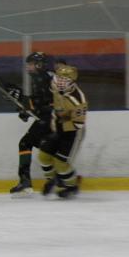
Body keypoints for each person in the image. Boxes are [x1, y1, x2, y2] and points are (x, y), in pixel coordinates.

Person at [7, 52, 54, 196]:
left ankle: (26, 183)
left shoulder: (42, 78)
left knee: (25, 143)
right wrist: (25, 110)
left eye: (31, 64)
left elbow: (42, 103)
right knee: (45, 147)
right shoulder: (45, 77)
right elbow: (40, 102)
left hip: (50, 119)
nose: (28, 67)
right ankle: (60, 178)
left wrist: (21, 97)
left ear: (39, 65)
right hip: (50, 118)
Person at [38, 64, 87, 198]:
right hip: (58, 129)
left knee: (61, 164)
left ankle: (72, 186)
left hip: (73, 133)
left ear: (72, 82)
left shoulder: (78, 99)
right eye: (58, 78)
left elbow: (78, 123)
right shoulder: (54, 87)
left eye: (64, 80)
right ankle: (52, 180)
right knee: (43, 156)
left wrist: (61, 118)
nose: (60, 82)